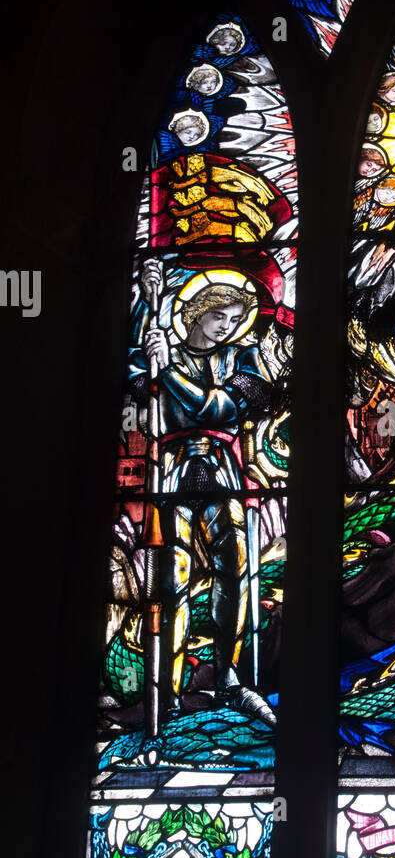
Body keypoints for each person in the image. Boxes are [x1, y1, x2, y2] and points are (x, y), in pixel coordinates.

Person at [129, 262, 277, 727]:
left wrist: (167, 370)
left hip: (221, 469)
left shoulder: (245, 359)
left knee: (235, 569)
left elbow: (218, 408)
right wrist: (145, 300)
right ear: (195, 311)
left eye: (235, 320)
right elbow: (134, 379)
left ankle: (229, 676)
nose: (227, 328)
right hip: (170, 473)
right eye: (220, 318)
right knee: (168, 579)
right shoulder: (153, 352)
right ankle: (165, 692)